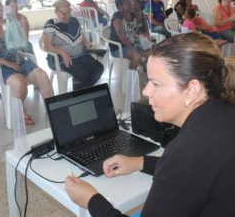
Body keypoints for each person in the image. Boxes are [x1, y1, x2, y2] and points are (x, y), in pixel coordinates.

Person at [65, 33, 235, 216]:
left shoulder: (188, 150)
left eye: (155, 83)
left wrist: (91, 200)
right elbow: (196, 172)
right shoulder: (222, 113)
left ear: (192, 90)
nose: (146, 91)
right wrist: (139, 162)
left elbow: (187, 165)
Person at [0, 1, 54, 125]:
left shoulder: (8, 27)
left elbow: (22, 45)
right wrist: (6, 62)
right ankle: (18, 112)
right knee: (20, 82)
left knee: (42, 75)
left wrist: (16, 27)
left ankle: (52, 110)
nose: (0, 13)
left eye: (2, 10)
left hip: (18, 61)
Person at [43, 0, 104, 90]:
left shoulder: (74, 21)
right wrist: (62, 51)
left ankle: (81, 91)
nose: (67, 16)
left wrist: (89, 44)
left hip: (80, 55)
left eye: (69, 12)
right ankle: (81, 93)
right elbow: (47, 46)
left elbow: (81, 35)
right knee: (83, 73)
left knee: (99, 68)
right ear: (56, 11)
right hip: (60, 59)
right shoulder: (51, 24)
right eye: (64, 13)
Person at [110, 0, 151, 69]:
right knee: (137, 57)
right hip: (119, 47)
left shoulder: (132, 15)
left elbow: (136, 30)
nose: (131, 5)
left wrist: (145, 35)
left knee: (152, 53)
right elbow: (123, 38)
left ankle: (144, 72)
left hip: (133, 44)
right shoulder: (117, 18)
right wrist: (135, 49)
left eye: (130, 3)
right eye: (128, 4)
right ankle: (131, 78)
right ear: (120, 7)